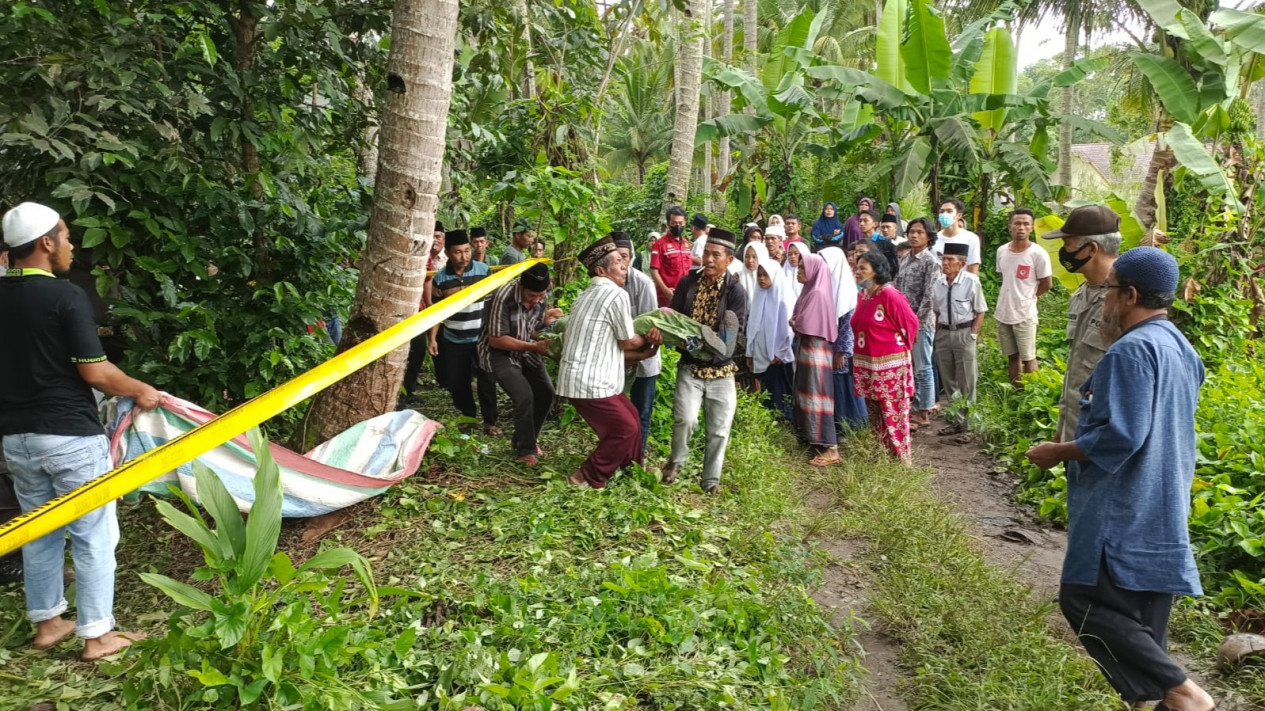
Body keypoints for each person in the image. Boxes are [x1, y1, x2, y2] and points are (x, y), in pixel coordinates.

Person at [1025, 247, 1215, 711]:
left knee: (1083, 599)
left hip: (1122, 507)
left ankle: (1185, 691)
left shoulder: (1130, 351)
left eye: (1109, 291)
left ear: (1129, 295)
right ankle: (1167, 698)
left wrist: (1057, 452)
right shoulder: (1180, 347)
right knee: (1144, 623)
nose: (1105, 301)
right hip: (1164, 502)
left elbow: (1120, 436)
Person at [1, 202, 162, 660]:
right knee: (95, 534)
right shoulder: (65, 297)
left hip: (17, 439)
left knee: (40, 531)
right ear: (46, 242)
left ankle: (49, 624)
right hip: (70, 436)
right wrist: (143, 390)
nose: (71, 246)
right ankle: (98, 636)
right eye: (67, 236)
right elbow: (95, 372)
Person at [557, 238, 661, 488]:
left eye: (624, 260)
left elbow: (611, 345)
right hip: (590, 382)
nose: (624, 265)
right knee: (624, 428)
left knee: (633, 418)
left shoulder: (585, 295)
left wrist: (646, 352)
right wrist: (651, 338)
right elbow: (626, 341)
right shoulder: (614, 293)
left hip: (585, 378)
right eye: (617, 262)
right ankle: (586, 476)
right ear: (601, 271)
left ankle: (631, 468)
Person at [662, 229, 747, 493]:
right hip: (690, 366)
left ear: (729, 260)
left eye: (716, 255)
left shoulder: (736, 292)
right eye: (706, 253)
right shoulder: (688, 283)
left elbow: (736, 334)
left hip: (722, 370)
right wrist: (664, 331)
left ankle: (711, 480)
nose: (708, 259)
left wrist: (714, 344)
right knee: (685, 419)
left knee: (719, 430)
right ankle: (676, 461)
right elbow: (674, 319)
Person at [1042, 205, 1120, 443]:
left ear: (1091, 249)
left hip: (1100, 436)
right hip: (1074, 431)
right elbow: (1076, 370)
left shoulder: (1123, 302)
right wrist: (1062, 434)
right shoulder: (1082, 293)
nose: (1063, 252)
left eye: (1068, 245)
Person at [478, 262, 560, 465]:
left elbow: (533, 328)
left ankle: (526, 439)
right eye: (532, 296)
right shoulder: (503, 296)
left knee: (546, 392)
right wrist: (534, 347)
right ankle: (525, 449)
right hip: (498, 352)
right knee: (524, 395)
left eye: (540, 296)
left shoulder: (541, 296)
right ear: (521, 286)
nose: (536, 301)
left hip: (525, 347)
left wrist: (548, 324)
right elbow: (496, 339)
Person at [851, 248, 920, 464]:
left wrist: (901, 351)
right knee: (875, 414)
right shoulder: (862, 295)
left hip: (890, 367)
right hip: (868, 366)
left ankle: (901, 461)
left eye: (863, 268)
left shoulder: (889, 294)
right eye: (856, 267)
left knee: (893, 413)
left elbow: (911, 323)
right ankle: (882, 456)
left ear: (876, 271)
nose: (857, 271)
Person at [428, 229, 500, 434]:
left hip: (481, 337)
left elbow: (492, 302)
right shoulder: (440, 279)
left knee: (487, 379)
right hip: (453, 339)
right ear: (449, 253)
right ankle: (468, 416)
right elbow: (437, 312)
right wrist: (433, 339)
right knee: (458, 382)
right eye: (458, 252)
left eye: (467, 251)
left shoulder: (483, 270)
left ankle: (490, 421)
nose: (464, 256)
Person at [612, 233, 662, 455]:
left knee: (641, 410)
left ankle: (636, 458)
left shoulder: (643, 284)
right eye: (615, 258)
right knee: (618, 412)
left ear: (631, 257)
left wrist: (636, 353)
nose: (620, 263)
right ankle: (619, 453)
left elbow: (650, 326)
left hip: (643, 359)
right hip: (616, 360)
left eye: (624, 257)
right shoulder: (605, 284)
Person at [931, 243, 988, 437]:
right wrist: (938, 331)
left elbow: (980, 310)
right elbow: (936, 311)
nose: (944, 263)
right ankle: (956, 421)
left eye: (950, 260)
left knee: (967, 379)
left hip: (964, 333)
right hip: (944, 333)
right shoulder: (938, 283)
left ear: (961, 263)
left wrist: (973, 333)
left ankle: (969, 425)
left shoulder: (971, 281)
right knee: (948, 380)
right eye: (943, 259)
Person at [791, 253, 840, 465]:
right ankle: (814, 438)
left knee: (817, 393)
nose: (798, 272)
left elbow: (804, 323)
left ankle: (830, 446)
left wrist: (795, 323)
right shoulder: (809, 290)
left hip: (815, 348)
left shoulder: (817, 293)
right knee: (807, 391)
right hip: (808, 348)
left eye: (802, 268)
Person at [995, 208, 1053, 386]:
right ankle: (1016, 392)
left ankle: (1032, 396)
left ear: (1032, 228)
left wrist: (1029, 298)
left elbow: (1047, 283)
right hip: (1003, 312)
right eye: (1017, 223)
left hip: (1025, 313)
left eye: (1026, 224)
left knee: (1029, 357)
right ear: (1010, 226)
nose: (1021, 227)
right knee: (1012, 356)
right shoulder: (1002, 251)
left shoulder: (1038, 254)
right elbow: (1004, 277)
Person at [893, 217, 940, 430]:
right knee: (909, 366)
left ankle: (924, 410)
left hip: (920, 323)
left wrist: (914, 323)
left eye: (919, 232)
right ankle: (914, 405)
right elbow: (897, 287)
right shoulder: (905, 259)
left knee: (923, 366)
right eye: (911, 231)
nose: (914, 235)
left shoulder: (931, 261)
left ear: (928, 236)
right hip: (901, 321)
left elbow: (930, 297)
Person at [818, 244, 868, 435]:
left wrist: (843, 353)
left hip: (841, 351)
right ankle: (839, 424)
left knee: (844, 388)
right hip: (830, 347)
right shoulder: (829, 286)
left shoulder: (845, 290)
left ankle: (854, 426)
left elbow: (848, 324)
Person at [402, 220, 447, 402]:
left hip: (419, 310)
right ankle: (401, 392)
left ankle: (408, 391)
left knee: (418, 350)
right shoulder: (407, 251)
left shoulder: (426, 257)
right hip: (402, 308)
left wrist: (428, 305)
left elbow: (427, 280)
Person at [747, 256, 795, 420]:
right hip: (760, 354)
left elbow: (789, 330)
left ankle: (785, 426)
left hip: (777, 358)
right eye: (759, 275)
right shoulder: (759, 296)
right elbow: (752, 326)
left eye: (765, 275)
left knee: (780, 393)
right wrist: (750, 351)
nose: (761, 279)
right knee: (767, 393)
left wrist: (780, 353)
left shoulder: (784, 298)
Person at [650, 206, 693, 307]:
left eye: (680, 223)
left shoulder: (686, 244)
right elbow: (654, 271)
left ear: (685, 222)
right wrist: (665, 290)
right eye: (674, 223)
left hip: (685, 295)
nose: (677, 226)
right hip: (667, 296)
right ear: (669, 223)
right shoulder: (660, 244)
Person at [931, 197, 982, 274]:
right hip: (936, 284)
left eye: (949, 211)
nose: (944, 214)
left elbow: (973, 269)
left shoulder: (971, 238)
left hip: (961, 285)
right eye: (941, 212)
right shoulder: (933, 239)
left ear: (959, 215)